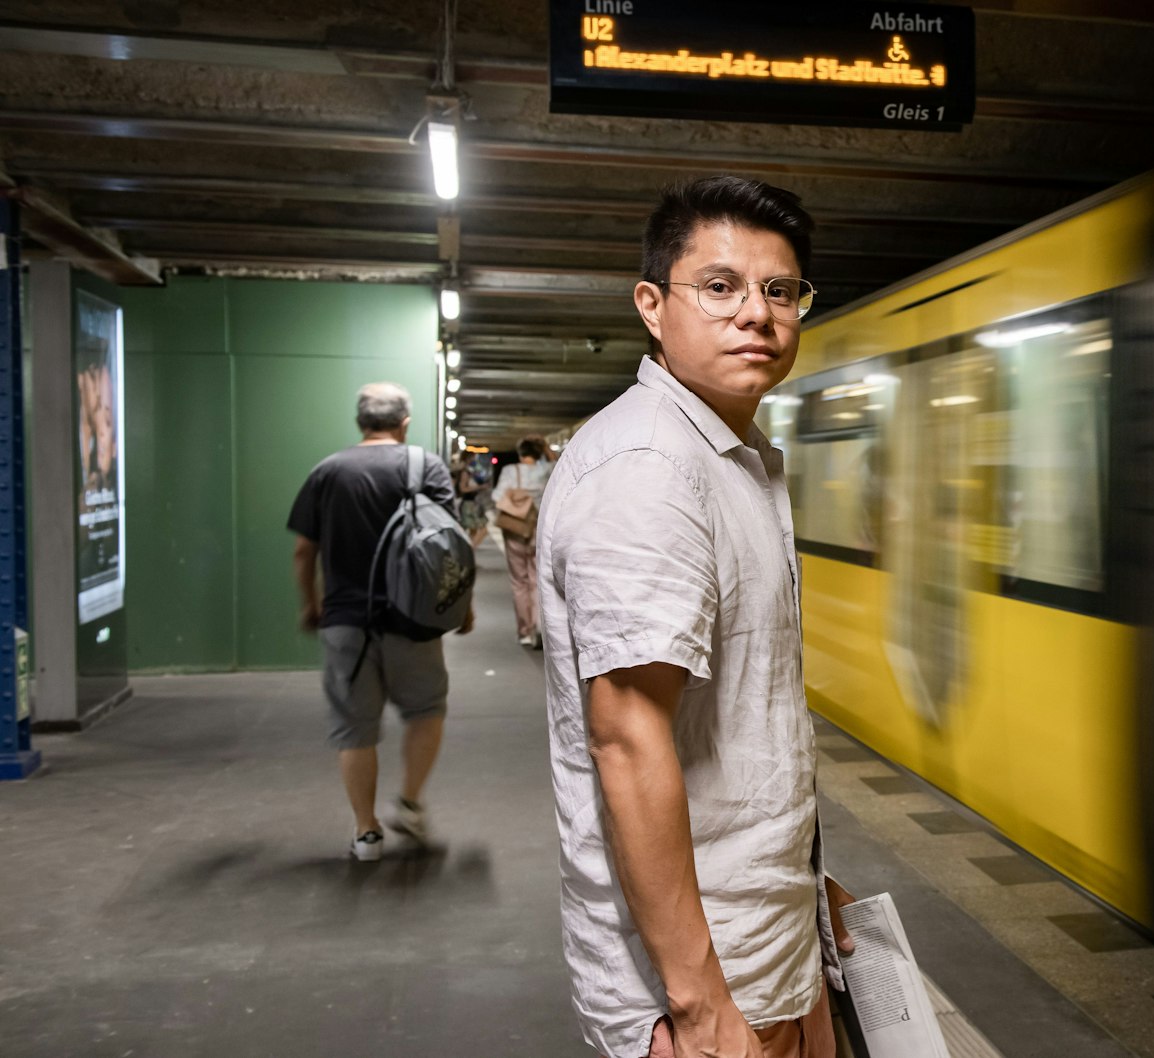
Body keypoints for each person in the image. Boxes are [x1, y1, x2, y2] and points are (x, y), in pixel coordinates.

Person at [536, 175, 853, 1058]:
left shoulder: (733, 455)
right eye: (719, 287)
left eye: (780, 290)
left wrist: (800, 879)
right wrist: (702, 1008)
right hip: (712, 981)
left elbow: (738, 725)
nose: (756, 312)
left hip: (762, 939)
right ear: (652, 304)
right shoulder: (651, 468)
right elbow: (628, 735)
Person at [289, 382, 471, 862]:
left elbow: (304, 550)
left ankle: (366, 831)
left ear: (359, 421)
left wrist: (312, 603)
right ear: (404, 421)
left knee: (354, 729)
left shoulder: (327, 471)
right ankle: (410, 800)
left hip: (346, 618)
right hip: (414, 616)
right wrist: (461, 607)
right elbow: (452, 544)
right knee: (427, 710)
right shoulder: (423, 465)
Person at [495, 436, 553, 648]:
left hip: (516, 529)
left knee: (519, 581)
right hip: (539, 529)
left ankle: (525, 632)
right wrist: (546, 448)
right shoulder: (547, 470)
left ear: (520, 453)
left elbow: (497, 496)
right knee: (537, 580)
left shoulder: (511, 471)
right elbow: (555, 463)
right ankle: (540, 627)